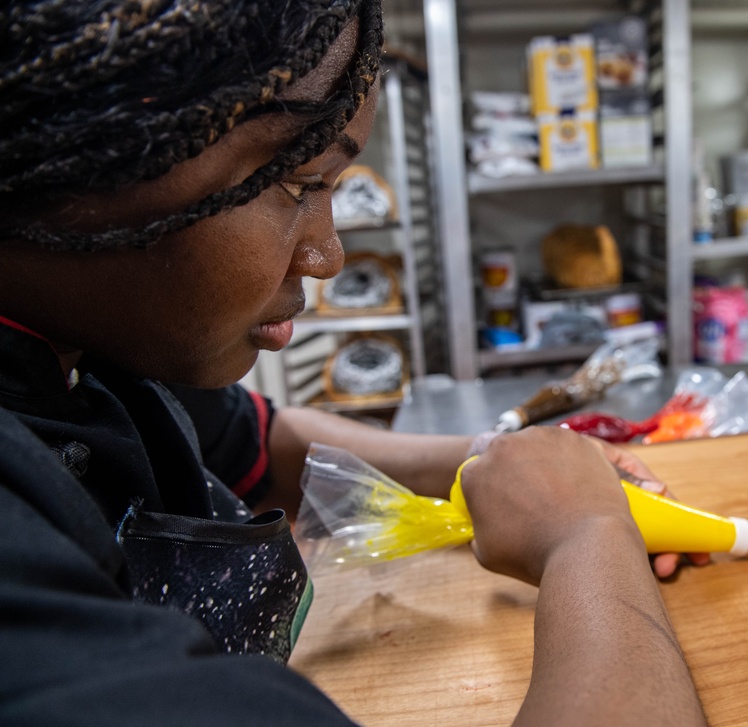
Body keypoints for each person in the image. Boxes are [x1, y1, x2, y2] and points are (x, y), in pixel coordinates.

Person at [0, 1, 708, 725]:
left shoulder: (91, 339)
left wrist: (498, 463)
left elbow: (258, 443)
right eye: (301, 184)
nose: (328, 255)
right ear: (96, 141)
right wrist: (588, 536)